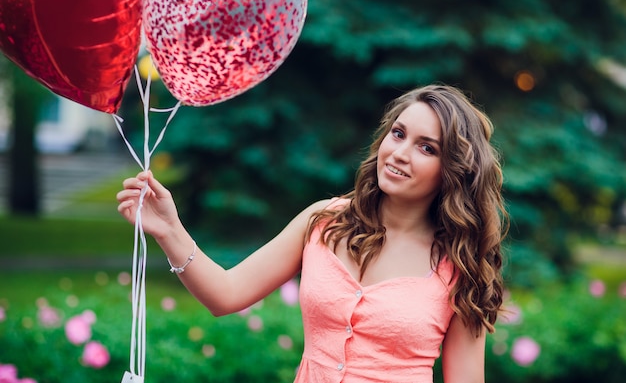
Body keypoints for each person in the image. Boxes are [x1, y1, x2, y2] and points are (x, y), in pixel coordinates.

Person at [117, 84, 508, 383]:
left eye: (427, 148)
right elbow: (226, 294)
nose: (401, 153)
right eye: (399, 133)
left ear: (454, 170)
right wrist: (169, 230)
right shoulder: (324, 221)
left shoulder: (461, 265)